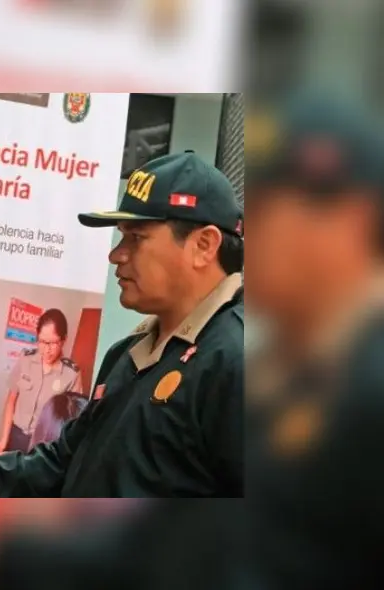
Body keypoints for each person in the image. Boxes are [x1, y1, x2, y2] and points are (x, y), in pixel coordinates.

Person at [0, 150, 244, 498]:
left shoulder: (237, 359)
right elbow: (63, 464)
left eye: (135, 237)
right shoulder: (127, 355)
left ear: (204, 245)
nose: (115, 254)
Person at [244, 92, 384, 589]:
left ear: (351, 220)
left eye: (262, 212)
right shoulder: (279, 369)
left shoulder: (369, 390)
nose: (247, 234)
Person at [0, 309, 84, 453]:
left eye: (53, 343)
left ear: (64, 340)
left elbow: (71, 420)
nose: (47, 350)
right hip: (16, 435)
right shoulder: (25, 360)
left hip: (45, 444)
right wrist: (4, 439)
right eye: (42, 342)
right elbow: (11, 401)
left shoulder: (71, 374)